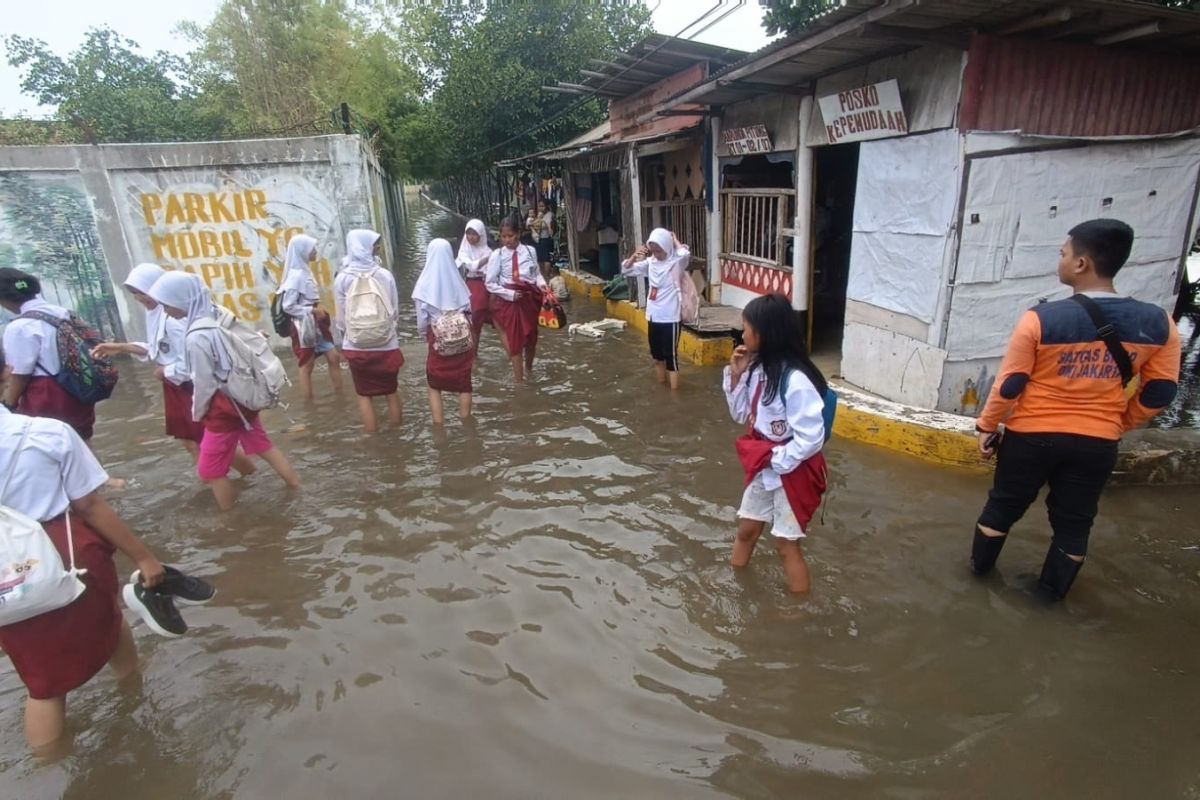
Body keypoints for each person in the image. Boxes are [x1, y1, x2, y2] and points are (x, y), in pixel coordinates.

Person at [971, 219, 1182, 600]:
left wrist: (987, 426)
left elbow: (1012, 384)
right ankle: (1048, 601)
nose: (1061, 260)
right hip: (1098, 442)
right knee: (1074, 524)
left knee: (1002, 508)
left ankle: (976, 581)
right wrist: (1116, 423)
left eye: (1064, 253)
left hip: (1030, 437)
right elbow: (1161, 391)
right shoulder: (1160, 323)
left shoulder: (1040, 319)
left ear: (1081, 263)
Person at [0, 360, 167, 752]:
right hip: (65, 554)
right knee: (110, 620)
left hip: (6, 574)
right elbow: (90, 504)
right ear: (5, 373)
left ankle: (49, 769)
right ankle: (134, 694)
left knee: (41, 681)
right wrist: (144, 558)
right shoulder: (47, 433)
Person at [148, 271, 300, 511]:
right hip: (244, 397)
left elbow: (203, 383)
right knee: (262, 445)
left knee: (209, 470)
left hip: (224, 408)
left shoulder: (196, 336)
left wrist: (198, 413)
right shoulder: (217, 313)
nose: (165, 310)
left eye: (167, 304)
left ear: (182, 299)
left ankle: (230, 519)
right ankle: (296, 485)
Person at [91, 264, 256, 476]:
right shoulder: (157, 313)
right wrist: (122, 347)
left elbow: (189, 362)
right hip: (177, 387)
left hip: (189, 386)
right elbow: (159, 350)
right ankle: (221, 480)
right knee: (194, 440)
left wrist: (165, 372)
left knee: (207, 439)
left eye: (142, 292)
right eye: (134, 294)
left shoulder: (172, 318)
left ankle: (224, 480)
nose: (140, 298)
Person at [723, 294, 829, 594]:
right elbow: (741, 413)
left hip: (790, 468)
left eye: (747, 328)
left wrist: (779, 459)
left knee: (786, 545)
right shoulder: (757, 371)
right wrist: (736, 374)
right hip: (766, 464)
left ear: (765, 333)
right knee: (746, 529)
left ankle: (798, 611)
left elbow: (812, 438)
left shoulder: (795, 381)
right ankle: (736, 585)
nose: (742, 334)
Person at [0, 269, 99, 440]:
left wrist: (7, 406)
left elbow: (19, 375)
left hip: (47, 397)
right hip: (78, 390)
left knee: (50, 447)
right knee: (82, 445)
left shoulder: (19, 327)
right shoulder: (64, 313)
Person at [333, 229, 404, 432]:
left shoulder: (342, 278)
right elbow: (394, 311)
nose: (377, 247)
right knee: (391, 392)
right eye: (375, 244)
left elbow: (341, 318)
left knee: (364, 396)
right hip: (386, 344)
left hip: (356, 346)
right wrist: (386, 332)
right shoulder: (384, 275)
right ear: (367, 247)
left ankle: (373, 442)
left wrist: (347, 341)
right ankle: (398, 438)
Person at [413, 239, 475, 425]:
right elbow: (469, 313)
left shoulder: (423, 286)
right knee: (464, 383)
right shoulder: (459, 283)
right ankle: (466, 423)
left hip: (437, 339)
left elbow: (422, 322)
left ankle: (439, 427)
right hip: (462, 338)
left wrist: (427, 337)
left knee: (434, 385)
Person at [620, 228, 690, 390]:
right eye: (654, 250)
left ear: (667, 247)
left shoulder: (676, 263)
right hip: (653, 317)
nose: (656, 254)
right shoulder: (650, 263)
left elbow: (685, 254)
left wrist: (675, 239)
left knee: (671, 358)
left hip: (671, 318)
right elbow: (626, 270)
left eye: (659, 250)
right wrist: (634, 256)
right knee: (657, 357)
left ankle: (674, 395)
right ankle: (662, 385)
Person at [485, 214, 548, 384]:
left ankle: (529, 369)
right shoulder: (497, 255)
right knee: (515, 342)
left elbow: (537, 275)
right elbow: (490, 283)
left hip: (529, 299)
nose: (507, 240)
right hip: (510, 301)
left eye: (510, 236)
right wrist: (510, 294)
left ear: (518, 234)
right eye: (504, 236)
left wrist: (543, 286)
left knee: (531, 338)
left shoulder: (530, 251)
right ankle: (519, 381)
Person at [279, 234, 343, 399]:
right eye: (312, 248)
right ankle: (309, 403)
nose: (315, 251)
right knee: (307, 364)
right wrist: (312, 311)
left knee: (334, 357)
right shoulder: (295, 277)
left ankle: (339, 394)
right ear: (302, 251)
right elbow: (288, 306)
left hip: (315, 323)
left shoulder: (304, 271)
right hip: (303, 326)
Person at [455, 218, 494, 352]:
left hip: (483, 286)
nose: (470, 237)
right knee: (469, 319)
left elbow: (490, 272)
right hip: (468, 285)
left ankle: (474, 352)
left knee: (481, 319)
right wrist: (487, 260)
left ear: (481, 235)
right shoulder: (464, 249)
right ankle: (470, 351)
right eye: (468, 233)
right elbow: (471, 267)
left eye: (474, 234)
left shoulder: (487, 250)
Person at [533, 199, 556, 279]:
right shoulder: (541, 215)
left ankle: (546, 276)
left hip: (546, 239)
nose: (540, 208)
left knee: (546, 258)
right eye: (539, 206)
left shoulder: (549, 215)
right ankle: (542, 276)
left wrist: (539, 220)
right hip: (539, 239)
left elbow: (544, 226)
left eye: (542, 206)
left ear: (546, 206)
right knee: (540, 258)